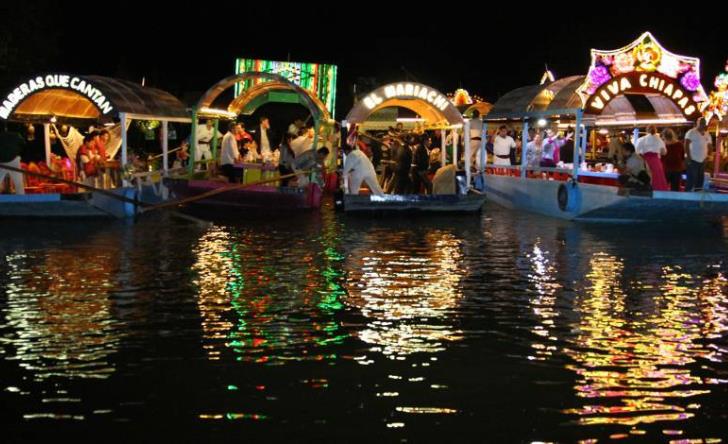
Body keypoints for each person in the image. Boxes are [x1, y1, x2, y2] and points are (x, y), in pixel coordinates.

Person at [635, 125, 668, 191]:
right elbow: (664, 152)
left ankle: (646, 190)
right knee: (658, 178)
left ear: (646, 130)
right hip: (656, 161)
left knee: (646, 177)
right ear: (656, 130)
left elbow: (636, 152)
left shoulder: (641, 139)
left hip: (645, 160)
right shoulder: (659, 140)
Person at [684, 118, 713, 191]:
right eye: (701, 123)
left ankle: (697, 196)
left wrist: (709, 156)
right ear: (697, 123)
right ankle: (686, 196)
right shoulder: (691, 132)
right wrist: (688, 157)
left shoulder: (707, 134)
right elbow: (686, 144)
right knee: (691, 179)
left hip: (702, 161)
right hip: (693, 160)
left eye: (704, 123)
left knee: (700, 180)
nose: (702, 124)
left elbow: (710, 146)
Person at [0, 129, 26, 194]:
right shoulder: (16, 135)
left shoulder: (14, 135)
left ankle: (21, 197)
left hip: (3, 161)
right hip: (13, 159)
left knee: (18, 181)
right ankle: (21, 198)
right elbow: (23, 143)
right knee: (18, 182)